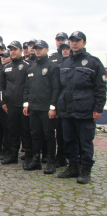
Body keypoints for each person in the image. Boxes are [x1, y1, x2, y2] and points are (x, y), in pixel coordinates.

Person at [57, 31, 106, 184]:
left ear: (84, 43)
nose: (74, 43)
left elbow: (100, 87)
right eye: (72, 41)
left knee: (85, 141)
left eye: (78, 40)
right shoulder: (65, 63)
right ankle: (73, 167)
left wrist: (98, 108)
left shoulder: (93, 62)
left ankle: (85, 170)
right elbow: (60, 87)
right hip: (67, 110)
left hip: (85, 110)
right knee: (69, 140)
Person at [23, 40, 60, 174]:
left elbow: (56, 89)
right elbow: (27, 88)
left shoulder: (52, 67)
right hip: (33, 108)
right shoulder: (31, 68)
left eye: (41, 48)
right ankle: (36, 160)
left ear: (46, 50)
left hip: (46, 109)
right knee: (35, 135)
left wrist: (53, 107)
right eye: (36, 48)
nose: (38, 50)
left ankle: (51, 162)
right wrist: (26, 104)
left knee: (49, 135)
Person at [0, 41, 32, 166]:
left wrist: (27, 103)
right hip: (10, 105)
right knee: (12, 130)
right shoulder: (6, 67)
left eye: (15, 49)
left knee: (26, 131)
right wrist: (3, 102)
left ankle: (29, 157)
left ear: (20, 50)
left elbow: (29, 86)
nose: (13, 52)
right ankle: (13, 155)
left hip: (23, 105)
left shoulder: (26, 66)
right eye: (11, 49)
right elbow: (2, 86)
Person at [54, 40, 70, 168]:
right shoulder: (58, 66)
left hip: (76, 105)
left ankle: (77, 161)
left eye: (68, 48)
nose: (65, 50)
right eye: (63, 48)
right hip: (60, 105)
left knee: (74, 136)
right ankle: (61, 157)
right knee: (60, 134)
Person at [0, 49, 12, 159]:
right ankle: (3, 149)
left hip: (9, 104)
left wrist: (3, 102)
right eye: (2, 57)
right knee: (1, 128)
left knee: (8, 129)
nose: (4, 58)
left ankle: (9, 150)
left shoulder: (11, 69)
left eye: (6, 56)